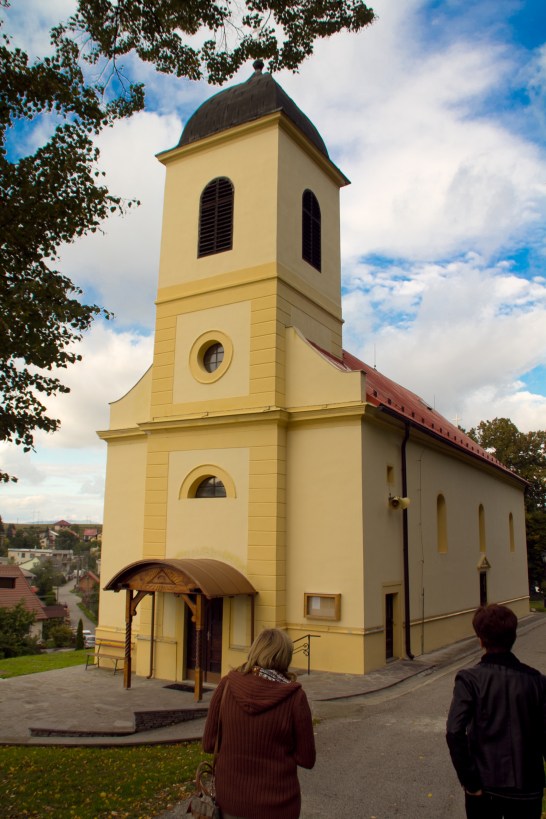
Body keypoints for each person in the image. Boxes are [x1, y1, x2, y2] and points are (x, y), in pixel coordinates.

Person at [202, 628, 316, 819]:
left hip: (230, 803)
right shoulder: (295, 698)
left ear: (255, 650)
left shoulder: (226, 685)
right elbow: (306, 758)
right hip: (277, 807)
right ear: (285, 657)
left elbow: (209, 744)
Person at [446, 603, 546, 819]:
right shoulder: (538, 682)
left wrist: (470, 782)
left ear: (480, 639)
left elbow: (454, 731)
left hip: (485, 786)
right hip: (528, 787)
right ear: (514, 636)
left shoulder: (470, 679)